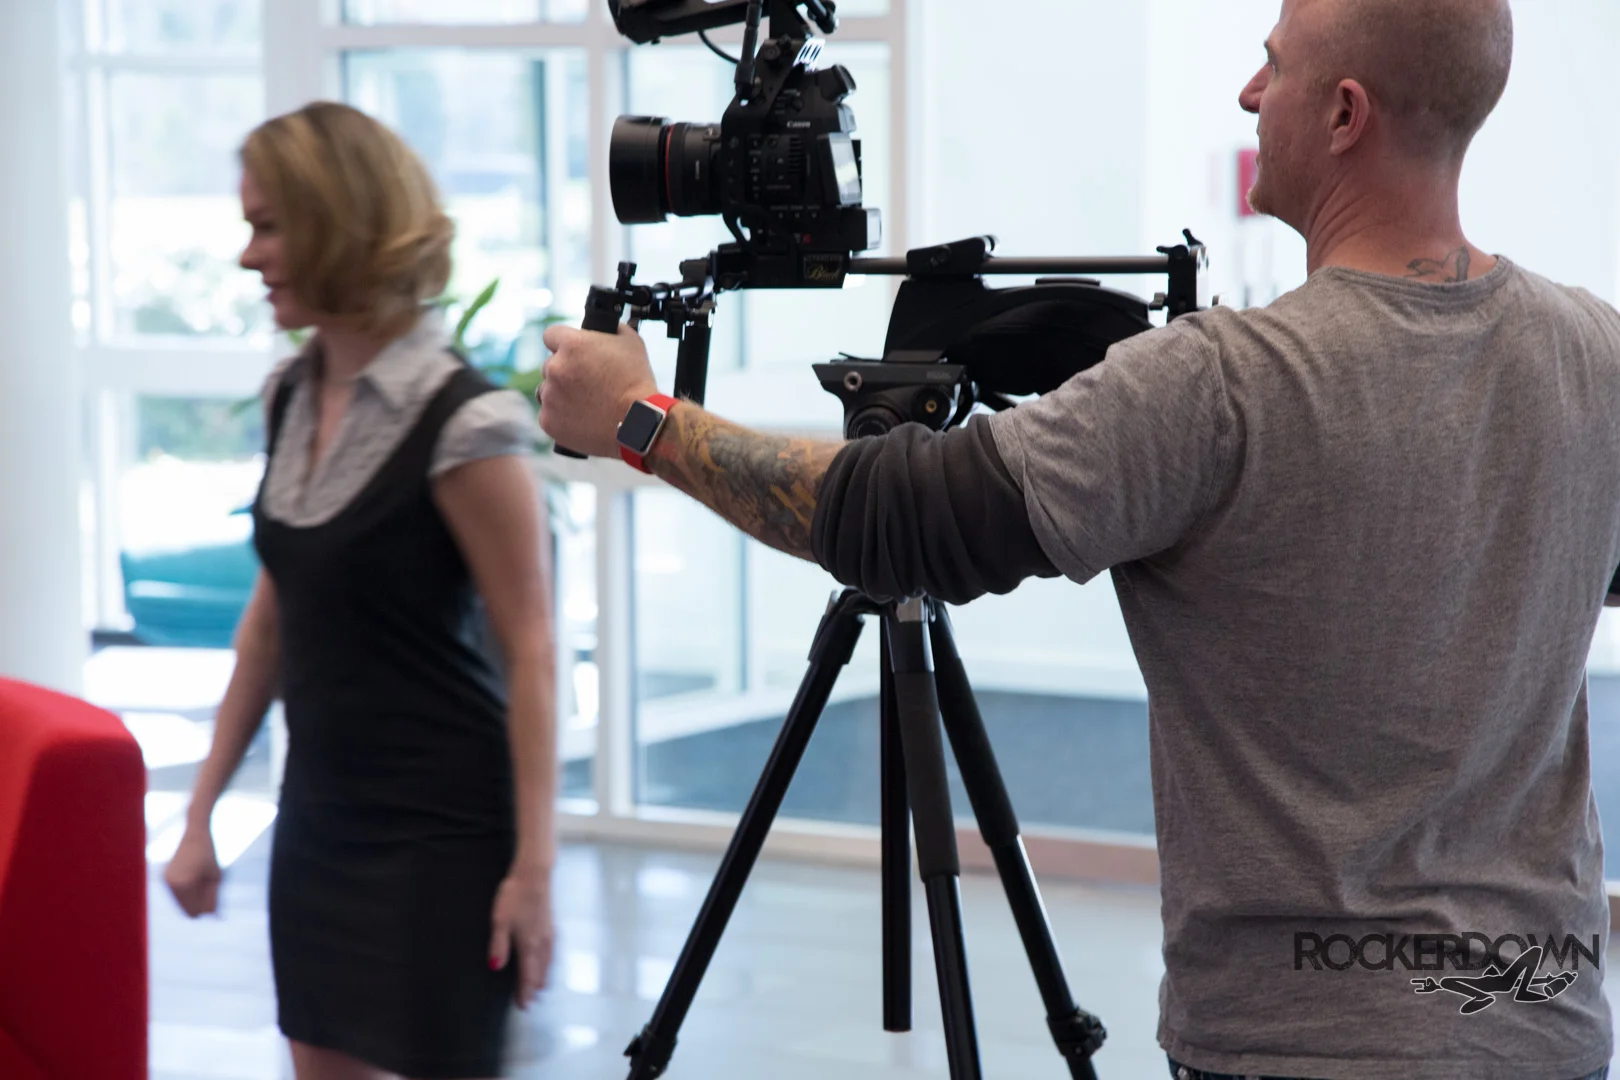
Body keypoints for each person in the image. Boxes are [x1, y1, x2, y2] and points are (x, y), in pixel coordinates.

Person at [535, 0, 1618, 1077]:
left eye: (1272, 65)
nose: (1248, 93)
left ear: (1345, 114)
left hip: (1303, 1045)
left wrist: (642, 420)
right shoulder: (1597, 354)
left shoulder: (1219, 384)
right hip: (1545, 1022)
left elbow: (889, 518)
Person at [164, 101, 559, 1080]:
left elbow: (531, 650)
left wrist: (533, 871)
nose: (249, 256)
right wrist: (201, 811)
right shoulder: (288, 396)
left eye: (267, 226)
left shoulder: (468, 423)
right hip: (318, 822)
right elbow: (271, 624)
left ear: (336, 224)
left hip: (443, 838)